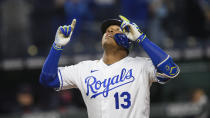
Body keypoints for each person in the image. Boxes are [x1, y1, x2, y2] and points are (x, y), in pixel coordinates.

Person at [39, 15, 180, 118]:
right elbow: (48, 79)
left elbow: (171, 70)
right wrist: (57, 46)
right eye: (108, 30)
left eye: (116, 30)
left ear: (128, 39)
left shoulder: (141, 65)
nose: (110, 31)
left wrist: (141, 39)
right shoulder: (84, 69)